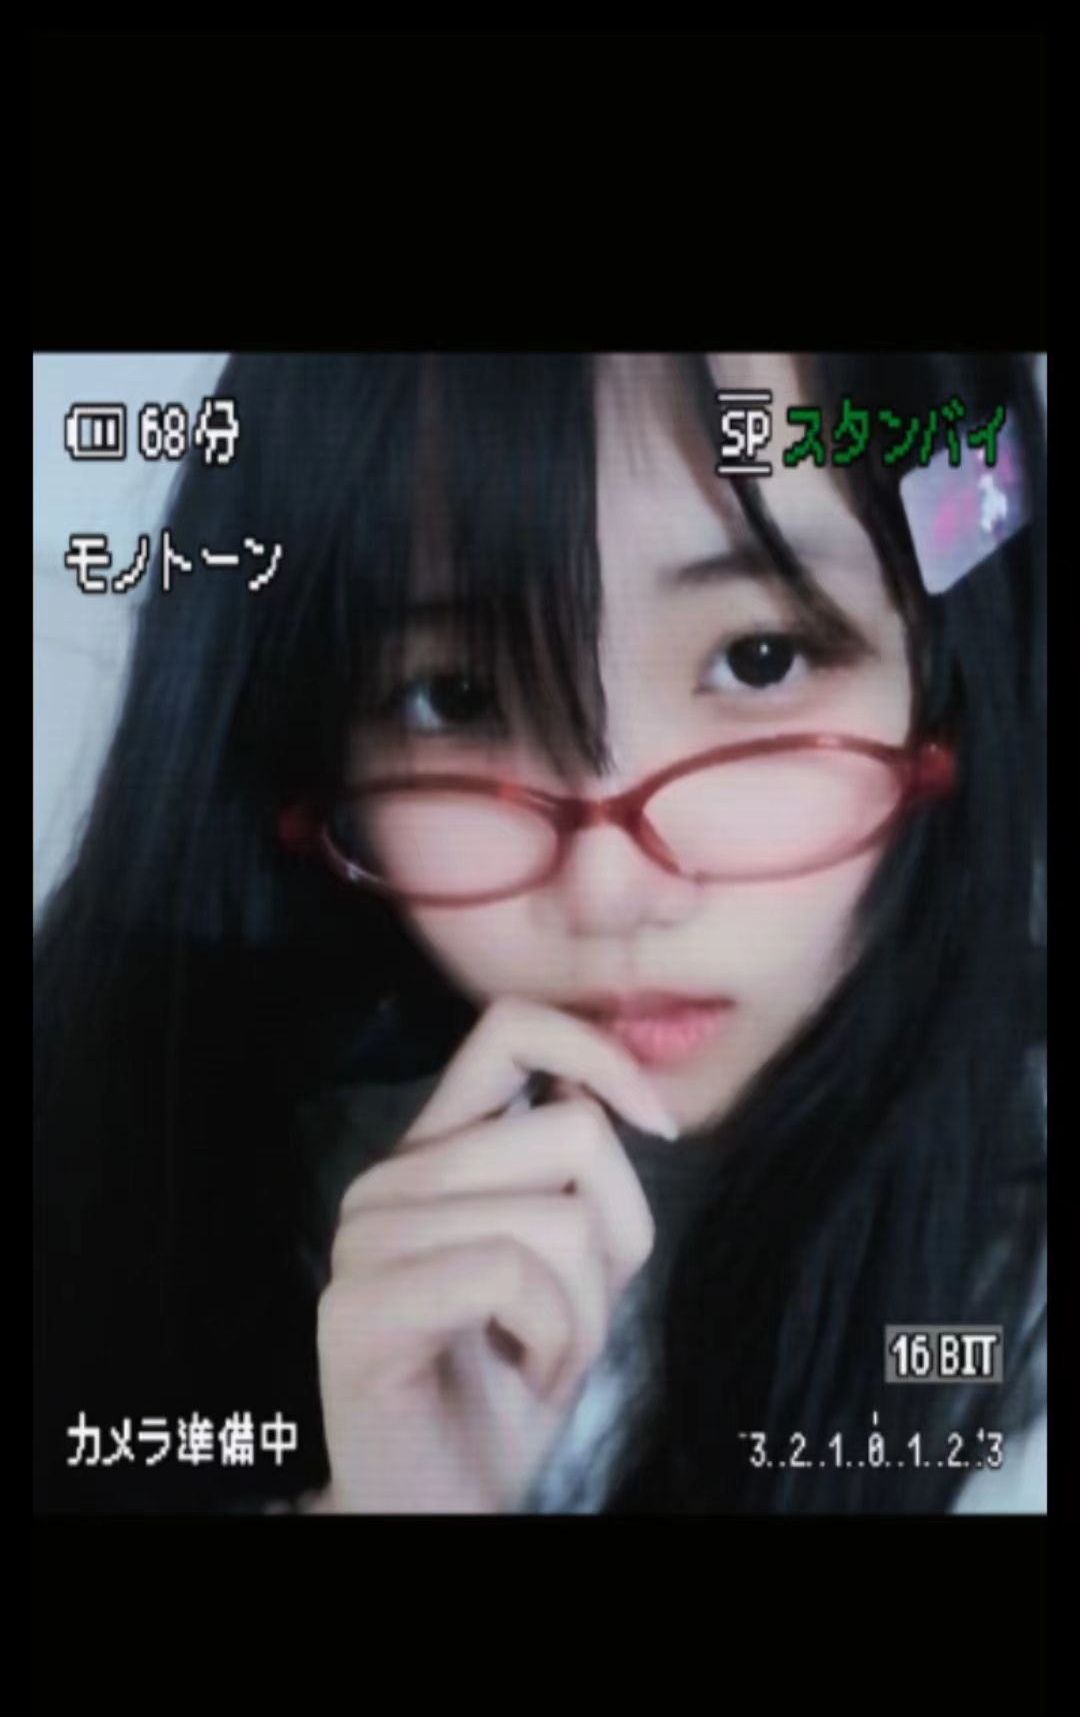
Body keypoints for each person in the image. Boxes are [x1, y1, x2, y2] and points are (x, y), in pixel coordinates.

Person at [33, 352, 1047, 1516]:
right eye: (456, 697)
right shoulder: (147, 1165)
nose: (609, 889)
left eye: (759, 658)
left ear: (949, 674)